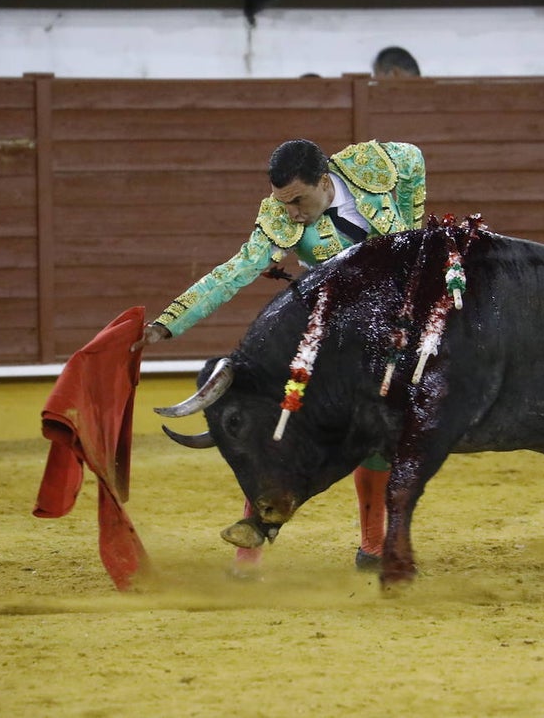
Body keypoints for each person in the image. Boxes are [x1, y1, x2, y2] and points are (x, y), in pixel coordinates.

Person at [134, 138, 427, 573]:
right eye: (283, 203)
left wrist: (415, 235)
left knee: (381, 430)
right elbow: (235, 272)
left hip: (388, 330)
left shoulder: (378, 166)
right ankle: (248, 549)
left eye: (298, 201)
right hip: (327, 329)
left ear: (325, 183)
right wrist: (167, 323)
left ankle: (372, 546)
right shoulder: (278, 215)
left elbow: (414, 159)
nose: (291, 213)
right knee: (272, 427)